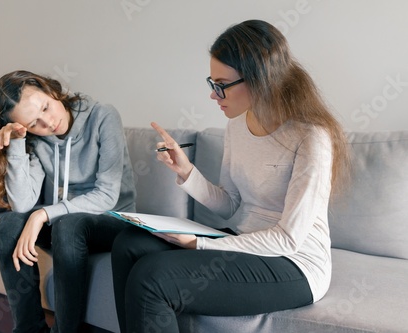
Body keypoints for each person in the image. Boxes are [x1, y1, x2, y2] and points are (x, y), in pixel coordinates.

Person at [111, 19, 350, 333]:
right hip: (242, 240)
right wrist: (187, 172)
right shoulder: (237, 125)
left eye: (221, 84)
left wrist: (200, 244)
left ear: (260, 78)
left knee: (154, 276)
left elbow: (288, 238)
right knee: (129, 242)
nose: (214, 95)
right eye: (212, 83)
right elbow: (232, 204)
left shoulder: (310, 137)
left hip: (295, 263)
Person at [0, 70, 136, 333]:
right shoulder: (36, 139)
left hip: (113, 222)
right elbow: (21, 203)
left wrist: (41, 216)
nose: (48, 123)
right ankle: (29, 329)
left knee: (68, 225)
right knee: (7, 226)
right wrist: (17, 143)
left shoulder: (103, 116)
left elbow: (108, 196)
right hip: (66, 225)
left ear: (51, 91)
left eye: (46, 107)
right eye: (33, 124)